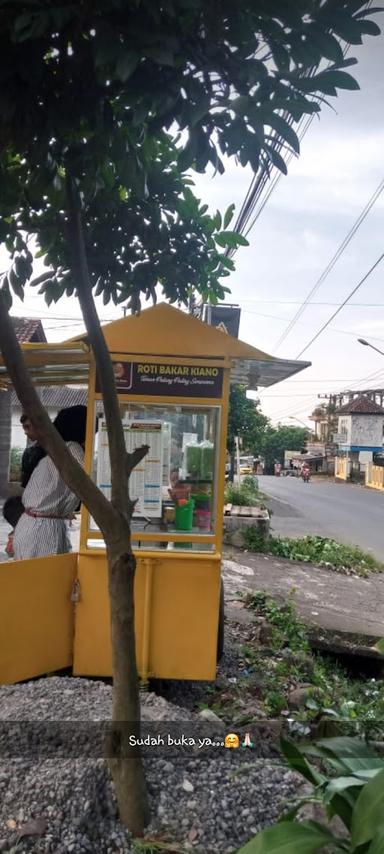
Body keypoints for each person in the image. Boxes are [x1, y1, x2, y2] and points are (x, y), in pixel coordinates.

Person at [13, 405, 87, 560]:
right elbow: (84, 484)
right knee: (43, 579)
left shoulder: (57, 448)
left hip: (38, 525)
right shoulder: (72, 448)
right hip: (43, 528)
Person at [20, 413, 46, 488]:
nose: (25, 432)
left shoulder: (57, 449)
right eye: (24, 428)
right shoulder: (28, 453)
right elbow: (26, 485)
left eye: (28, 427)